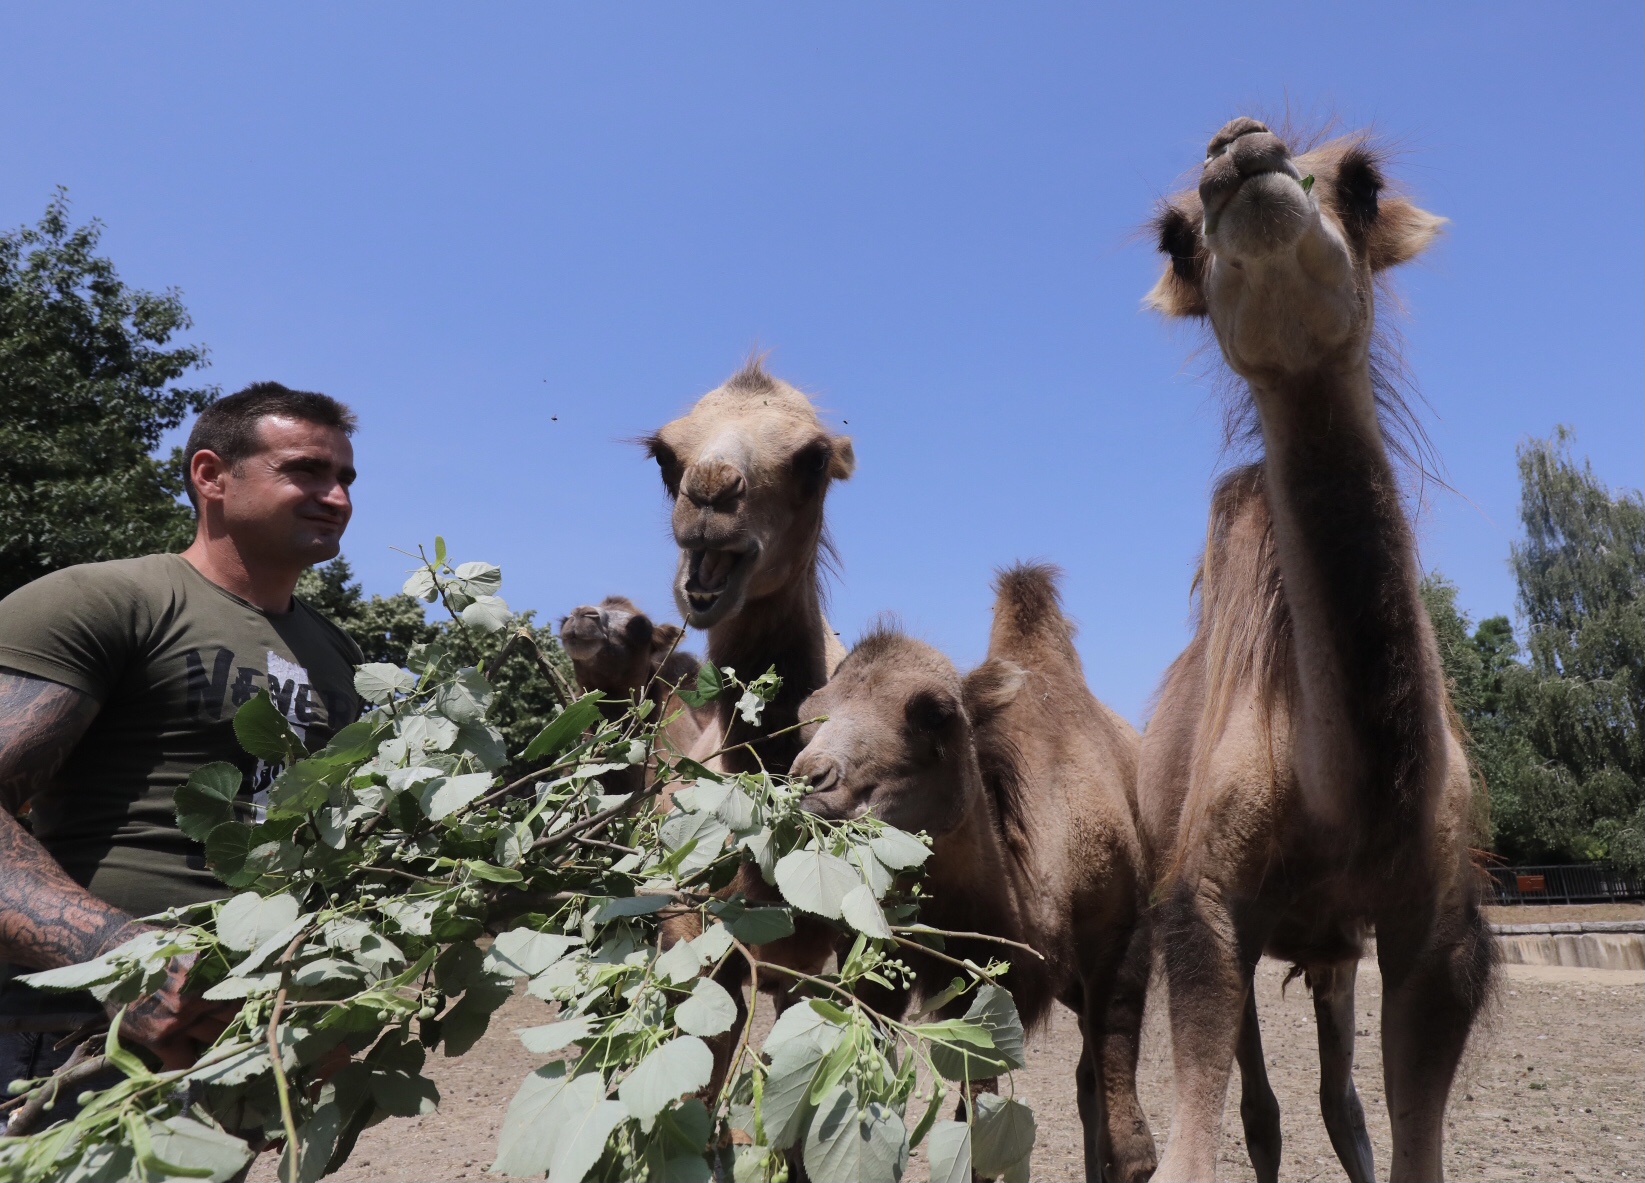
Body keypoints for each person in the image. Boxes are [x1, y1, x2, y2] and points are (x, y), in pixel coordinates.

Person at [0, 382, 363, 1122]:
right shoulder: (107, 601)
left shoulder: (338, 655)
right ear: (211, 475)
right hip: (65, 1035)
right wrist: (127, 961)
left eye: (346, 478)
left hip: (230, 1043)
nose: (337, 497)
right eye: (305, 470)